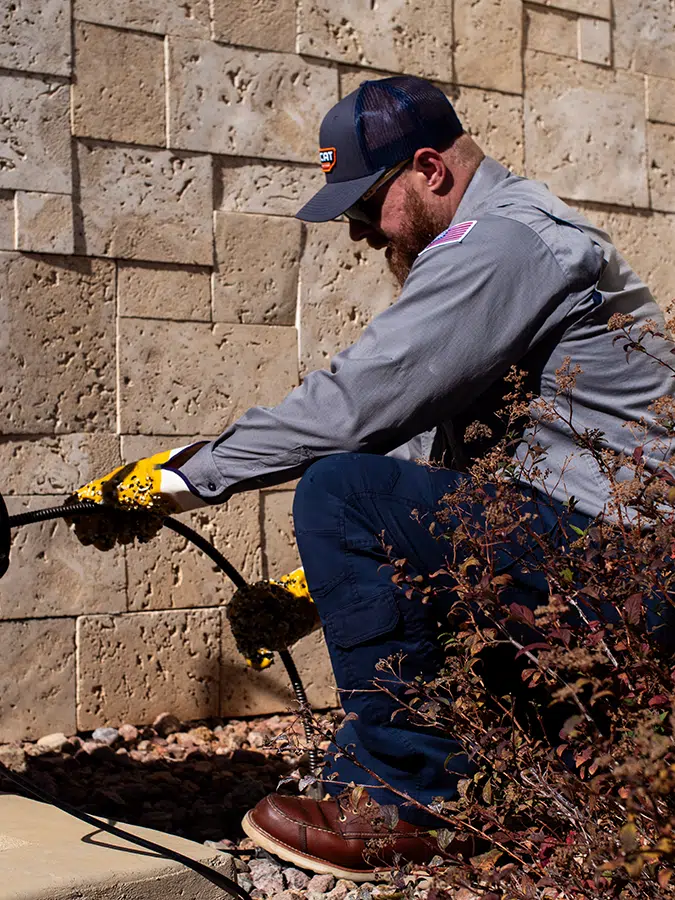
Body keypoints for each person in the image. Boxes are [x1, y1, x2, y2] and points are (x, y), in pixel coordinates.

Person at [71, 76, 673, 880]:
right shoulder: (504, 249)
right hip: (609, 570)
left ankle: (408, 800)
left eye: (365, 205)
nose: (357, 232)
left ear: (429, 170)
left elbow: (362, 403)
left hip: (633, 576)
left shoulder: (502, 243)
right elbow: (432, 453)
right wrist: (306, 592)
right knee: (375, 499)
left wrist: (179, 478)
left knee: (339, 489)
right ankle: (502, 790)